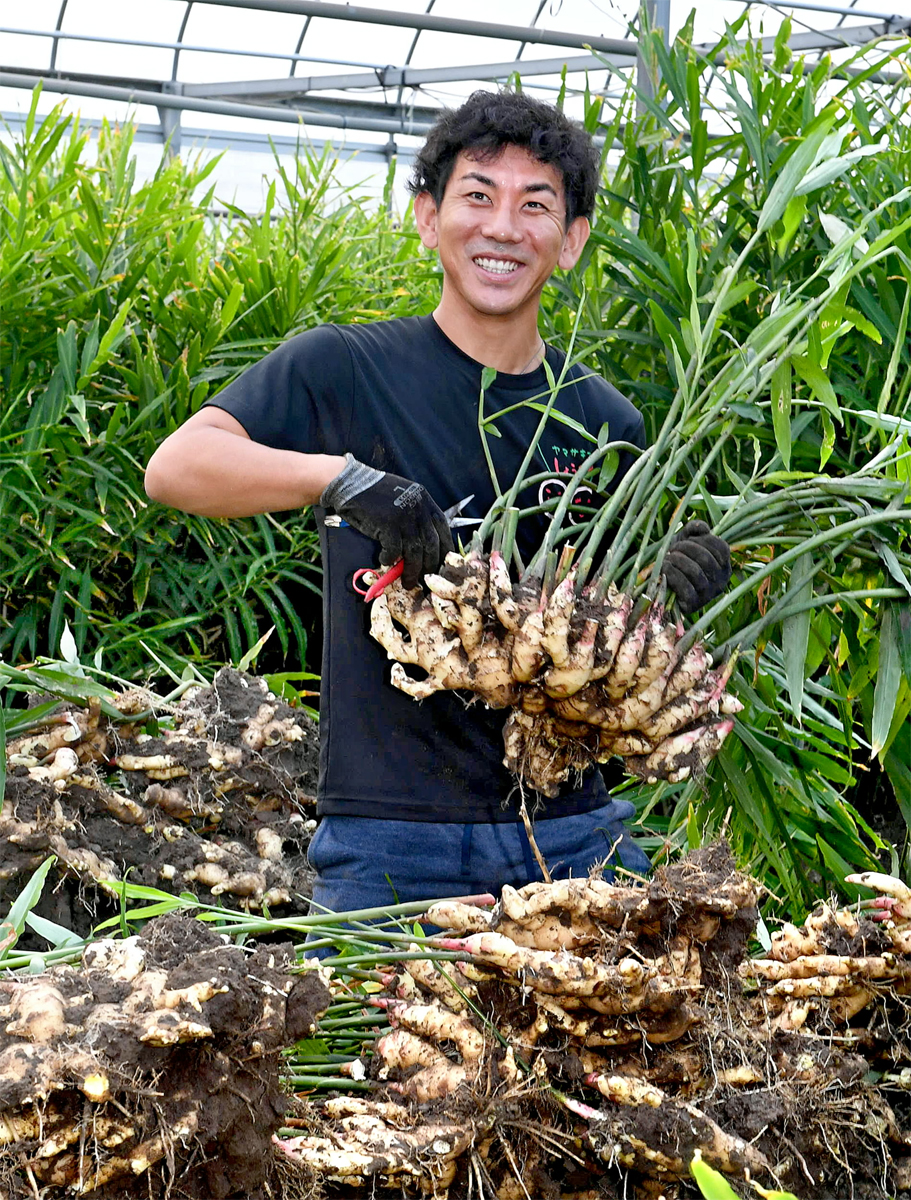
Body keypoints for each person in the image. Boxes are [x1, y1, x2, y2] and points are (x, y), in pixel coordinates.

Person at [145, 90, 730, 916]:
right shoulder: (344, 367)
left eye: (536, 206)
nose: (502, 227)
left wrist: (664, 590)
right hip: (389, 839)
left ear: (570, 243)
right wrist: (336, 479)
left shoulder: (604, 420)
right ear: (427, 217)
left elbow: (594, 629)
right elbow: (178, 467)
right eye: (477, 195)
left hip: (568, 832)